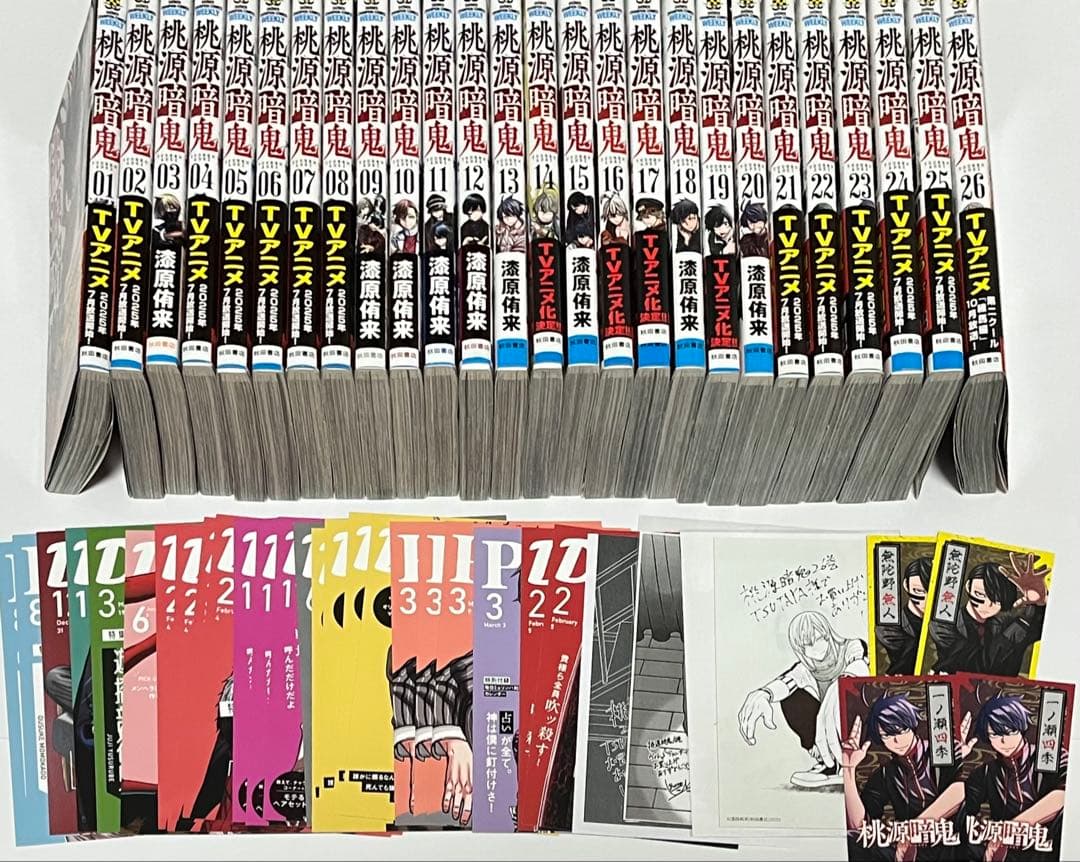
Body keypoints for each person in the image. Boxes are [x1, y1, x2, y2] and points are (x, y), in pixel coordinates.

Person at [737, 610, 869, 788]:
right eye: (808, 644)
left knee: (849, 697)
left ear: (828, 634)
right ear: (801, 648)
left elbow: (859, 664)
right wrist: (764, 694)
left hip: (860, 721)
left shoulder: (851, 647)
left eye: (819, 638)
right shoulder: (805, 668)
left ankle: (848, 763)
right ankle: (827, 762)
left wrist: (841, 685)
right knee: (792, 697)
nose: (816, 647)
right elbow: (786, 683)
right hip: (825, 734)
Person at [841, 693, 961, 860]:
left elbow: (960, 789)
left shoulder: (940, 750)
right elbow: (858, 826)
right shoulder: (886, 773)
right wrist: (848, 769)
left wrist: (913, 829)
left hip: (950, 844)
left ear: (912, 725)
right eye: (887, 736)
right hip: (907, 851)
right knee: (853, 840)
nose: (896, 741)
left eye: (901, 731)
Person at [928, 554, 1049, 677]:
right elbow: (975, 665)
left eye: (996, 600)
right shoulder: (943, 624)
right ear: (968, 587)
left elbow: (1040, 630)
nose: (988, 604)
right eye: (980, 594)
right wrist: (1021, 623)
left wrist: (1040, 602)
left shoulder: (1005, 623)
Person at [877, 556, 932, 676]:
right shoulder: (889, 628)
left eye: (932, 592)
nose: (927, 600)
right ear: (906, 585)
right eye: (918, 591)